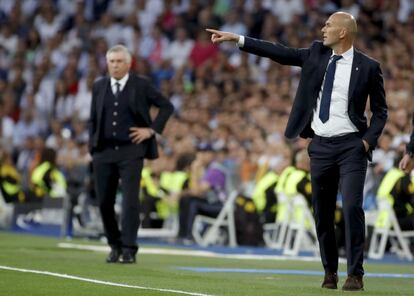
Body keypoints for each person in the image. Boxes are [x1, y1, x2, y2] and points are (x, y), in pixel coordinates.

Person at [207, 11, 387, 291]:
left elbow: (380, 111)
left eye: (328, 24)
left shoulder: (368, 66)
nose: (323, 28)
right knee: (322, 213)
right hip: (321, 146)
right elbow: (279, 52)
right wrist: (239, 40)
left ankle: (355, 274)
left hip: (352, 146)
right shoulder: (315, 54)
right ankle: (330, 271)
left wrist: (367, 141)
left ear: (343, 32)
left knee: (352, 207)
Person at [88, 45, 174, 264]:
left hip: (131, 151)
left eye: (119, 61)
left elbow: (166, 106)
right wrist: (93, 147)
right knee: (105, 202)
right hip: (104, 152)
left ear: (128, 63)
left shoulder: (141, 84)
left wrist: (151, 130)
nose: (115, 65)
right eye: (111, 61)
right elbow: (94, 118)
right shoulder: (99, 86)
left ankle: (128, 248)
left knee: (130, 201)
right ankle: (114, 245)